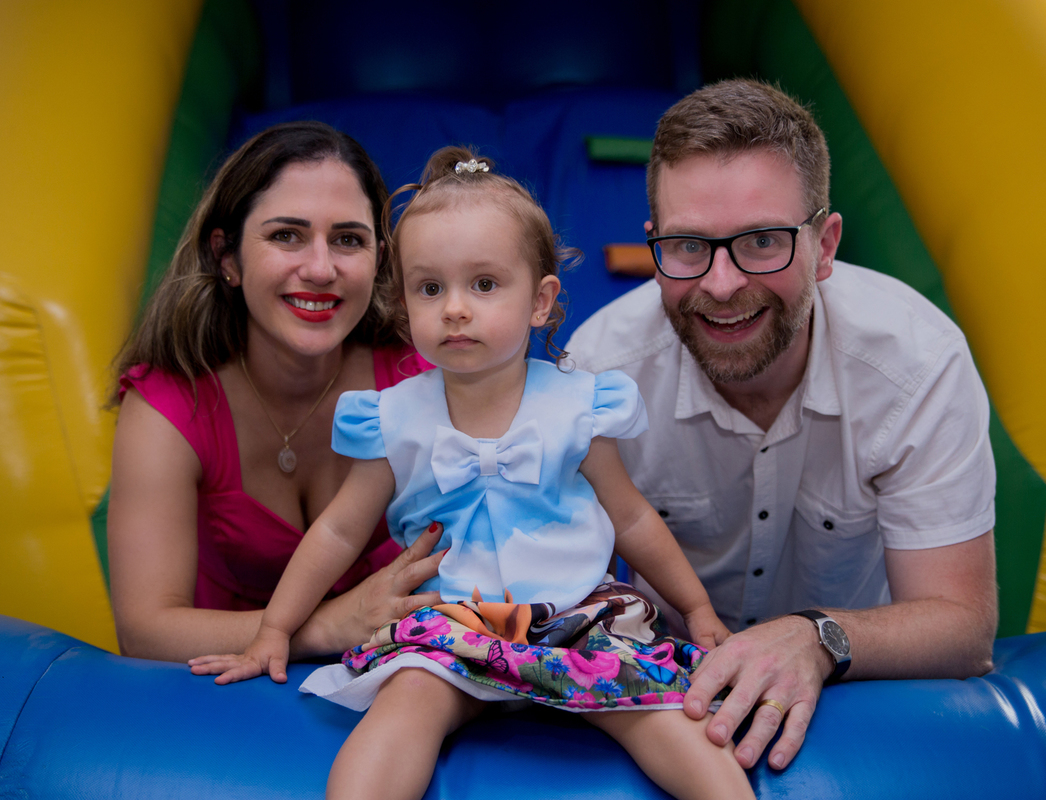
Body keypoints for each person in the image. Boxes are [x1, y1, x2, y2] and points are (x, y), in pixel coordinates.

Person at [190, 147, 756, 800]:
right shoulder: (395, 417)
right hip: (455, 623)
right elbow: (339, 531)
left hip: (576, 616)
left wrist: (695, 608)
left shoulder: (577, 406)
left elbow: (630, 517)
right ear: (404, 306)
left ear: (541, 300)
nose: (455, 308)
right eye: (431, 289)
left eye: (484, 285)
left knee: (659, 711)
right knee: (405, 705)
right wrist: (273, 630)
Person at [566, 79, 998, 771]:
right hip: (672, 704)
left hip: (858, 692)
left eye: (762, 241)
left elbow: (964, 626)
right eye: (687, 247)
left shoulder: (917, 365)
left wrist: (816, 638)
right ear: (653, 245)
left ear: (824, 245)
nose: (723, 283)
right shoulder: (596, 375)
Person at [108, 121, 444, 664]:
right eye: (286, 235)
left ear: (380, 257)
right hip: (224, 701)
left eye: (348, 240)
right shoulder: (170, 406)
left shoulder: (423, 379)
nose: (319, 268)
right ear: (228, 258)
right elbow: (144, 631)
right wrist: (330, 626)